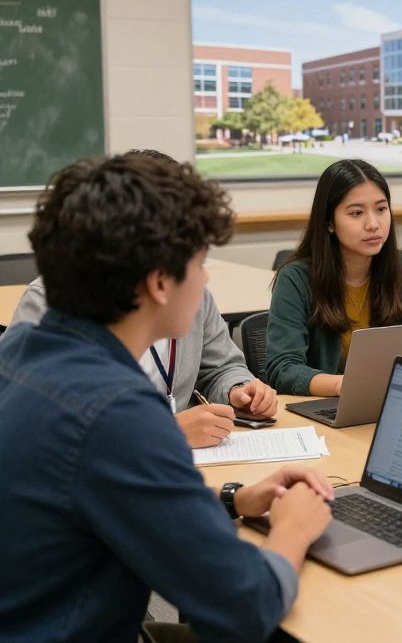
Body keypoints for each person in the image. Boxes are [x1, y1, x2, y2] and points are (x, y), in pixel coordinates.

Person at [0, 154, 332, 642]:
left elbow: (105, 492)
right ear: (158, 282)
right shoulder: (118, 413)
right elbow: (244, 603)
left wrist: (234, 498)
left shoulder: (24, 352)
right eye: (200, 262)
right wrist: (293, 529)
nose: (207, 279)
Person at [9, 149, 278, 450]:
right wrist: (165, 431)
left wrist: (237, 389)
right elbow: (47, 433)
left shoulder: (192, 297)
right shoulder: (50, 305)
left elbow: (220, 367)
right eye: (197, 261)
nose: (204, 278)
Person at [267, 158, 402, 396]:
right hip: (325, 407)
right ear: (329, 222)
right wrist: (345, 385)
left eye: (381, 209)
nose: (373, 224)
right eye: (357, 213)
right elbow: (283, 369)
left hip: (393, 402)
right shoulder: (296, 279)